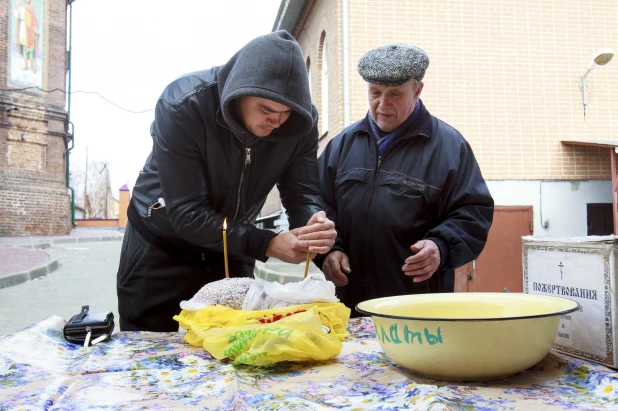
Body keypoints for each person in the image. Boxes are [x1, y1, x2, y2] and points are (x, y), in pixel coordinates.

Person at [118, 31, 337, 332]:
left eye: (286, 113)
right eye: (266, 110)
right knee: (152, 357)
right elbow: (187, 212)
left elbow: (302, 193)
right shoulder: (183, 105)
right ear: (239, 92)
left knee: (237, 351)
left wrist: (314, 225)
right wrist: (269, 243)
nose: (277, 122)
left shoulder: (300, 122)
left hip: (231, 248)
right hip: (161, 251)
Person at [316, 44, 494, 315]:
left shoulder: (449, 147)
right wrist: (329, 251)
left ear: (417, 90)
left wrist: (441, 246)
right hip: (348, 307)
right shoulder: (341, 146)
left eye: (395, 95)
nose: (383, 105)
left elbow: (472, 214)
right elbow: (317, 206)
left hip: (418, 310)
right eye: (375, 93)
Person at [14, 0, 39, 73]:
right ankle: (25, 65)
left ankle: (31, 66)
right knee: (25, 47)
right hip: (24, 29)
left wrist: (36, 29)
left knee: (31, 48)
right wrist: (16, 6)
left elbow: (34, 21)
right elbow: (17, 14)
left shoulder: (32, 10)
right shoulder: (21, 8)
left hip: (31, 30)